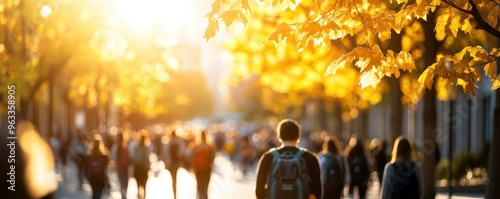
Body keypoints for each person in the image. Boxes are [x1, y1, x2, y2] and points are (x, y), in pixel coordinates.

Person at [255, 119, 322, 199]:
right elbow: (317, 191)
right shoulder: (310, 158)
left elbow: (259, 190)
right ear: (298, 136)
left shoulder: (268, 157)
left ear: (279, 136)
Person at [188, 131, 216, 199]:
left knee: (199, 185)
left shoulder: (194, 146)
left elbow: (189, 156)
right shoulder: (210, 146)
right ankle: (205, 197)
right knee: (205, 186)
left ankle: (200, 197)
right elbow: (213, 157)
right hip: (207, 169)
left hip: (197, 169)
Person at [162, 129, 186, 199]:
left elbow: (165, 154)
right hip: (176, 164)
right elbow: (181, 152)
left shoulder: (168, 144)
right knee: (174, 178)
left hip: (171, 164)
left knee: (173, 178)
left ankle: (174, 192)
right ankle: (175, 192)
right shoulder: (178, 143)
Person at [84, 134, 110, 199]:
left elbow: (86, 167)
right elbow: (106, 169)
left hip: (92, 178)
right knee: (98, 193)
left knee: (94, 192)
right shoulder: (104, 156)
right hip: (101, 178)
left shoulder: (89, 156)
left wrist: (86, 176)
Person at [131, 130, 152, 199]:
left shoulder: (136, 147)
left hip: (138, 167)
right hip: (144, 168)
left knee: (138, 180)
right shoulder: (146, 147)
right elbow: (148, 158)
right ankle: (143, 193)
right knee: (144, 181)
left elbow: (133, 157)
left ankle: (139, 192)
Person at [111, 131, 131, 199]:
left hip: (120, 166)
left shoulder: (116, 146)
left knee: (121, 180)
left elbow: (113, 157)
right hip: (126, 166)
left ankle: (123, 193)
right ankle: (124, 192)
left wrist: (114, 165)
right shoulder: (126, 146)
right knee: (125, 180)